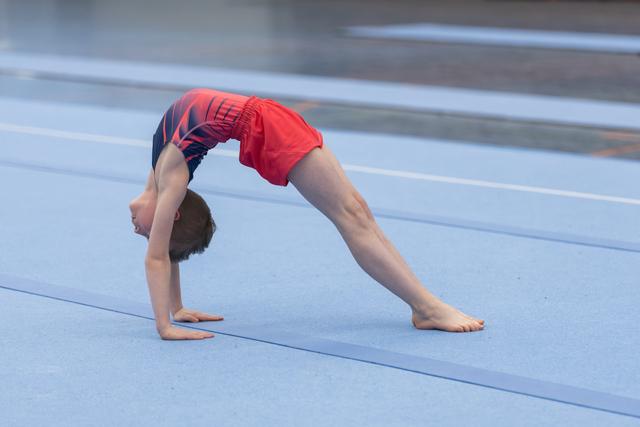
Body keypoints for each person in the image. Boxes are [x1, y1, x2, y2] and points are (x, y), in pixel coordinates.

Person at [129, 88, 484, 340]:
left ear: (171, 214)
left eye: (149, 232)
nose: (140, 231)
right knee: (352, 215)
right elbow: (164, 252)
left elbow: (159, 255)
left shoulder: (168, 177)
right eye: (149, 233)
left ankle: (426, 306)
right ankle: (427, 307)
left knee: (356, 212)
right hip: (266, 125)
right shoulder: (167, 176)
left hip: (267, 122)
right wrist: (173, 312)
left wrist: (167, 322)